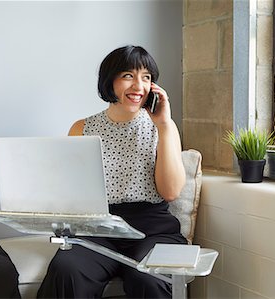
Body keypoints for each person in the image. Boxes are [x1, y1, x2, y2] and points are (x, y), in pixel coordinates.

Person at [37, 45, 187, 299]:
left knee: (149, 277)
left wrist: (162, 125)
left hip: (151, 229)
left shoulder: (164, 126)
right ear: (110, 81)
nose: (139, 86)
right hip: (98, 229)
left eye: (146, 77)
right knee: (67, 269)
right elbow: (71, 192)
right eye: (128, 75)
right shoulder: (81, 128)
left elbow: (171, 192)